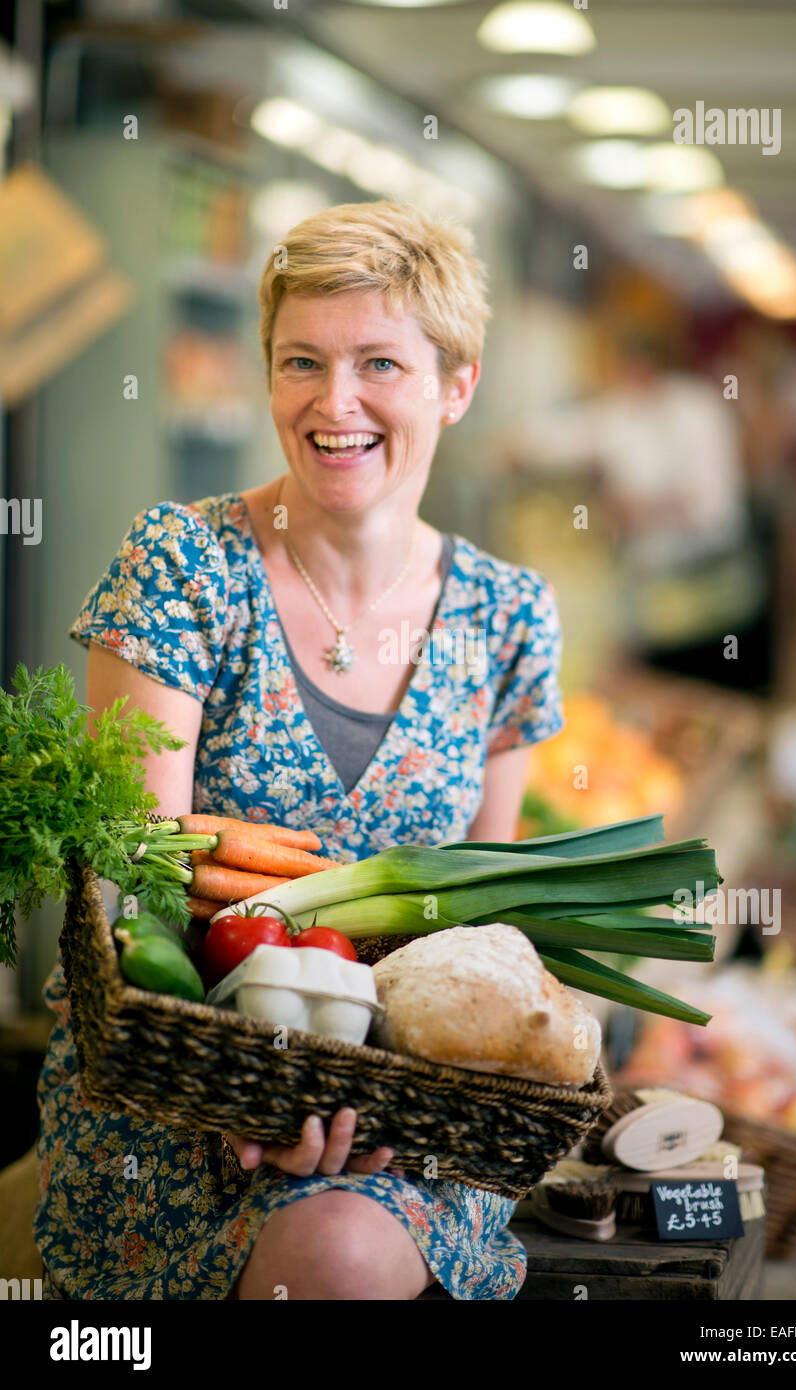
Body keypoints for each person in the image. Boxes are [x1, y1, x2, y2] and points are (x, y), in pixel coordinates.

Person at [33, 201, 565, 1301]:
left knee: (348, 1245)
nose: (335, 403)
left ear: (454, 386)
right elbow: (136, 894)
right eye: (300, 362)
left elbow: (479, 931)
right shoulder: (184, 563)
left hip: (402, 1110)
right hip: (174, 1082)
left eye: (380, 362)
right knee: (330, 1254)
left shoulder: (508, 616)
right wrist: (255, 1096)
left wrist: (385, 1103)